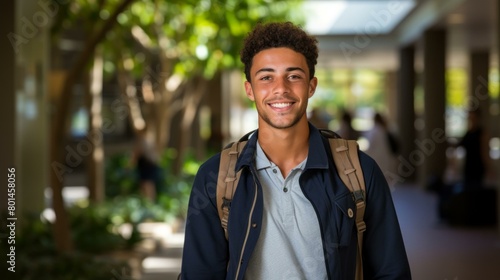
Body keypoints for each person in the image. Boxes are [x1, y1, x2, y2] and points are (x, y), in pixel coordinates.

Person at [180, 22, 411, 279]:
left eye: (294, 76)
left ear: (311, 86)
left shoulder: (358, 171)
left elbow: (392, 272)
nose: (281, 88)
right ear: (250, 90)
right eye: (266, 77)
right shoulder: (216, 177)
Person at [456, 109, 492, 189]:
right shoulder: (468, 133)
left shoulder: (482, 133)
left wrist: (489, 169)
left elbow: (484, 152)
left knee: (476, 191)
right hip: (468, 167)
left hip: (478, 168)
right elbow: (459, 145)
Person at [365, 112, 399, 186]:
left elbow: (371, 145)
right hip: (385, 159)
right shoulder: (384, 129)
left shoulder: (375, 131)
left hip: (378, 160)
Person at [132, 127, 161, 202]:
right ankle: (149, 201)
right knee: (148, 184)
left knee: (147, 184)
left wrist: (131, 163)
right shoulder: (150, 140)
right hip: (149, 165)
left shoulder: (143, 141)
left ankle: (148, 201)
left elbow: (137, 152)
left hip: (146, 165)